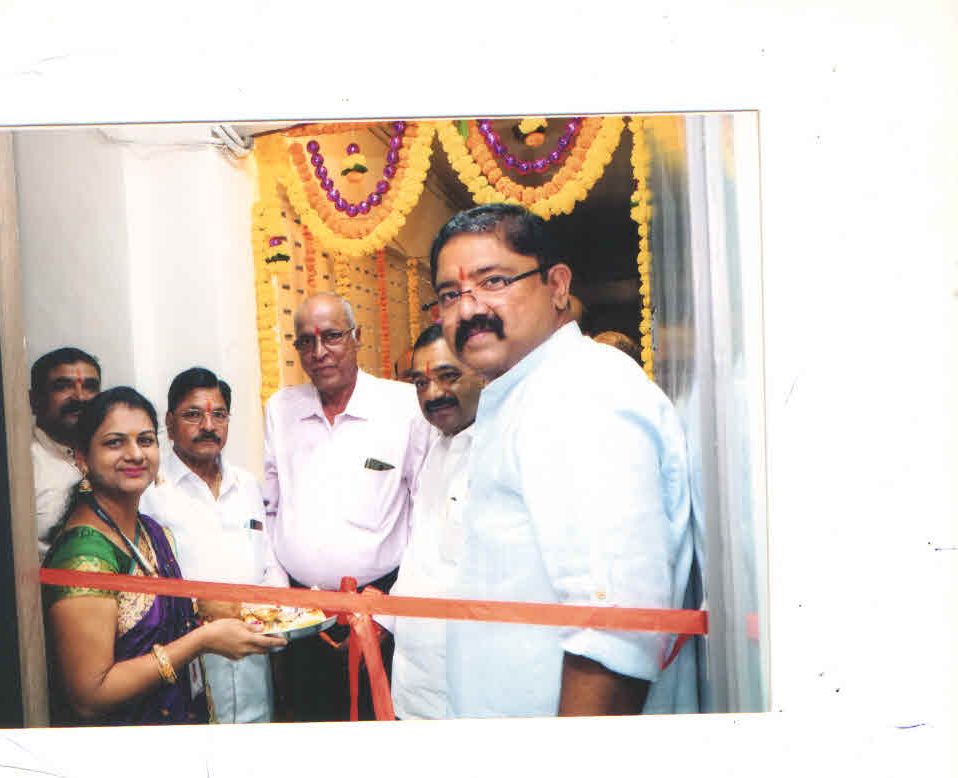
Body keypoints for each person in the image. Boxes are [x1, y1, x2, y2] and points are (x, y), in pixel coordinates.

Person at [430, 203, 694, 718]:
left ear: (556, 286)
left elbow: (614, 632)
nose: (468, 309)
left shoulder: (578, 393)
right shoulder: (530, 391)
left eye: (494, 281)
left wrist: (568, 766)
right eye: (449, 295)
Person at [41, 388, 286, 726]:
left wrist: (206, 609)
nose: (135, 454)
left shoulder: (150, 531)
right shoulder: (84, 556)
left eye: (145, 440)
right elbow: (90, 696)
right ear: (82, 458)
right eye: (114, 443)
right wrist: (201, 641)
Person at [262, 292, 431, 721]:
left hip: (378, 615)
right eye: (306, 341)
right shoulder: (281, 409)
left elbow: (426, 517)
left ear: (357, 337)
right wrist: (282, 600)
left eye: (332, 337)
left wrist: (389, 613)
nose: (319, 352)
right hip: (299, 619)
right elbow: (270, 509)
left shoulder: (403, 407)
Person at [141, 367, 278, 723]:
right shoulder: (149, 491)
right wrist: (199, 607)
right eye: (193, 415)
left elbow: (268, 563)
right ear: (169, 423)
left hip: (254, 667)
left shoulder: (246, 485)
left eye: (219, 415)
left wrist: (277, 614)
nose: (208, 426)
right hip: (185, 671)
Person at [385, 323, 485, 719]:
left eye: (448, 376)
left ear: (482, 373)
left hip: (470, 692)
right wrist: (382, 618)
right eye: (420, 383)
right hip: (414, 683)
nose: (432, 394)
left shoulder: (499, 455)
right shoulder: (436, 451)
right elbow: (422, 557)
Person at [29, 347, 101, 555]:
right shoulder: (21, 465)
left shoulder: (113, 456)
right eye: (63, 387)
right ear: (34, 400)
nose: (80, 397)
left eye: (90, 387)